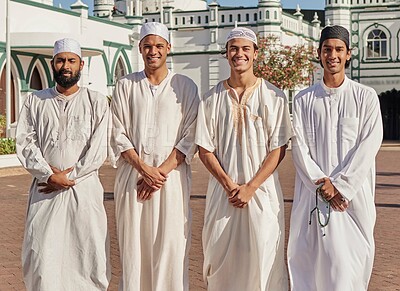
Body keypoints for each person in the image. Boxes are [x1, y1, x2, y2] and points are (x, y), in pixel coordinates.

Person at [195, 27, 293, 291]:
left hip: (261, 193)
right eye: (234, 48)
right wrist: (230, 186)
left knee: (264, 256)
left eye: (245, 48)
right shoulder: (211, 98)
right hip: (222, 195)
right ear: (226, 54)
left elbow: (278, 148)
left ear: (256, 54)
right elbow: (205, 149)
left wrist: (251, 187)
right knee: (219, 256)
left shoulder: (274, 96)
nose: (239, 54)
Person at [287, 25, 383, 291]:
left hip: (351, 200)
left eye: (339, 49)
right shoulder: (304, 99)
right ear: (319, 54)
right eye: (327, 49)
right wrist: (322, 185)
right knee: (313, 268)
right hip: (314, 196)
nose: (333, 55)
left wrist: (340, 186)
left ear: (349, 54)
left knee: (347, 270)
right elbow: (300, 148)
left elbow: (369, 143)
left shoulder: (365, 97)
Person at [110, 22, 199, 291]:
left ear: (169, 48)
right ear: (140, 48)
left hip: (170, 181)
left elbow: (190, 135)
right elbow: (117, 131)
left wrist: (158, 173)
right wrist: (142, 168)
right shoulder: (126, 85)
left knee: (170, 247)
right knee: (133, 247)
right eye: (147, 45)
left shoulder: (184, 86)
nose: (153, 51)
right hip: (132, 178)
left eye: (159, 45)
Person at [16, 38, 111, 290]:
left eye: (71, 61)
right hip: (45, 192)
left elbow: (99, 147)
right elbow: (25, 142)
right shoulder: (35, 101)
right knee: (41, 256)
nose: (65, 66)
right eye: (60, 61)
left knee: (87, 256)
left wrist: (70, 177)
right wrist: (48, 174)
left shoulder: (97, 101)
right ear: (52, 65)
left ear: (81, 65)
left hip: (84, 191)